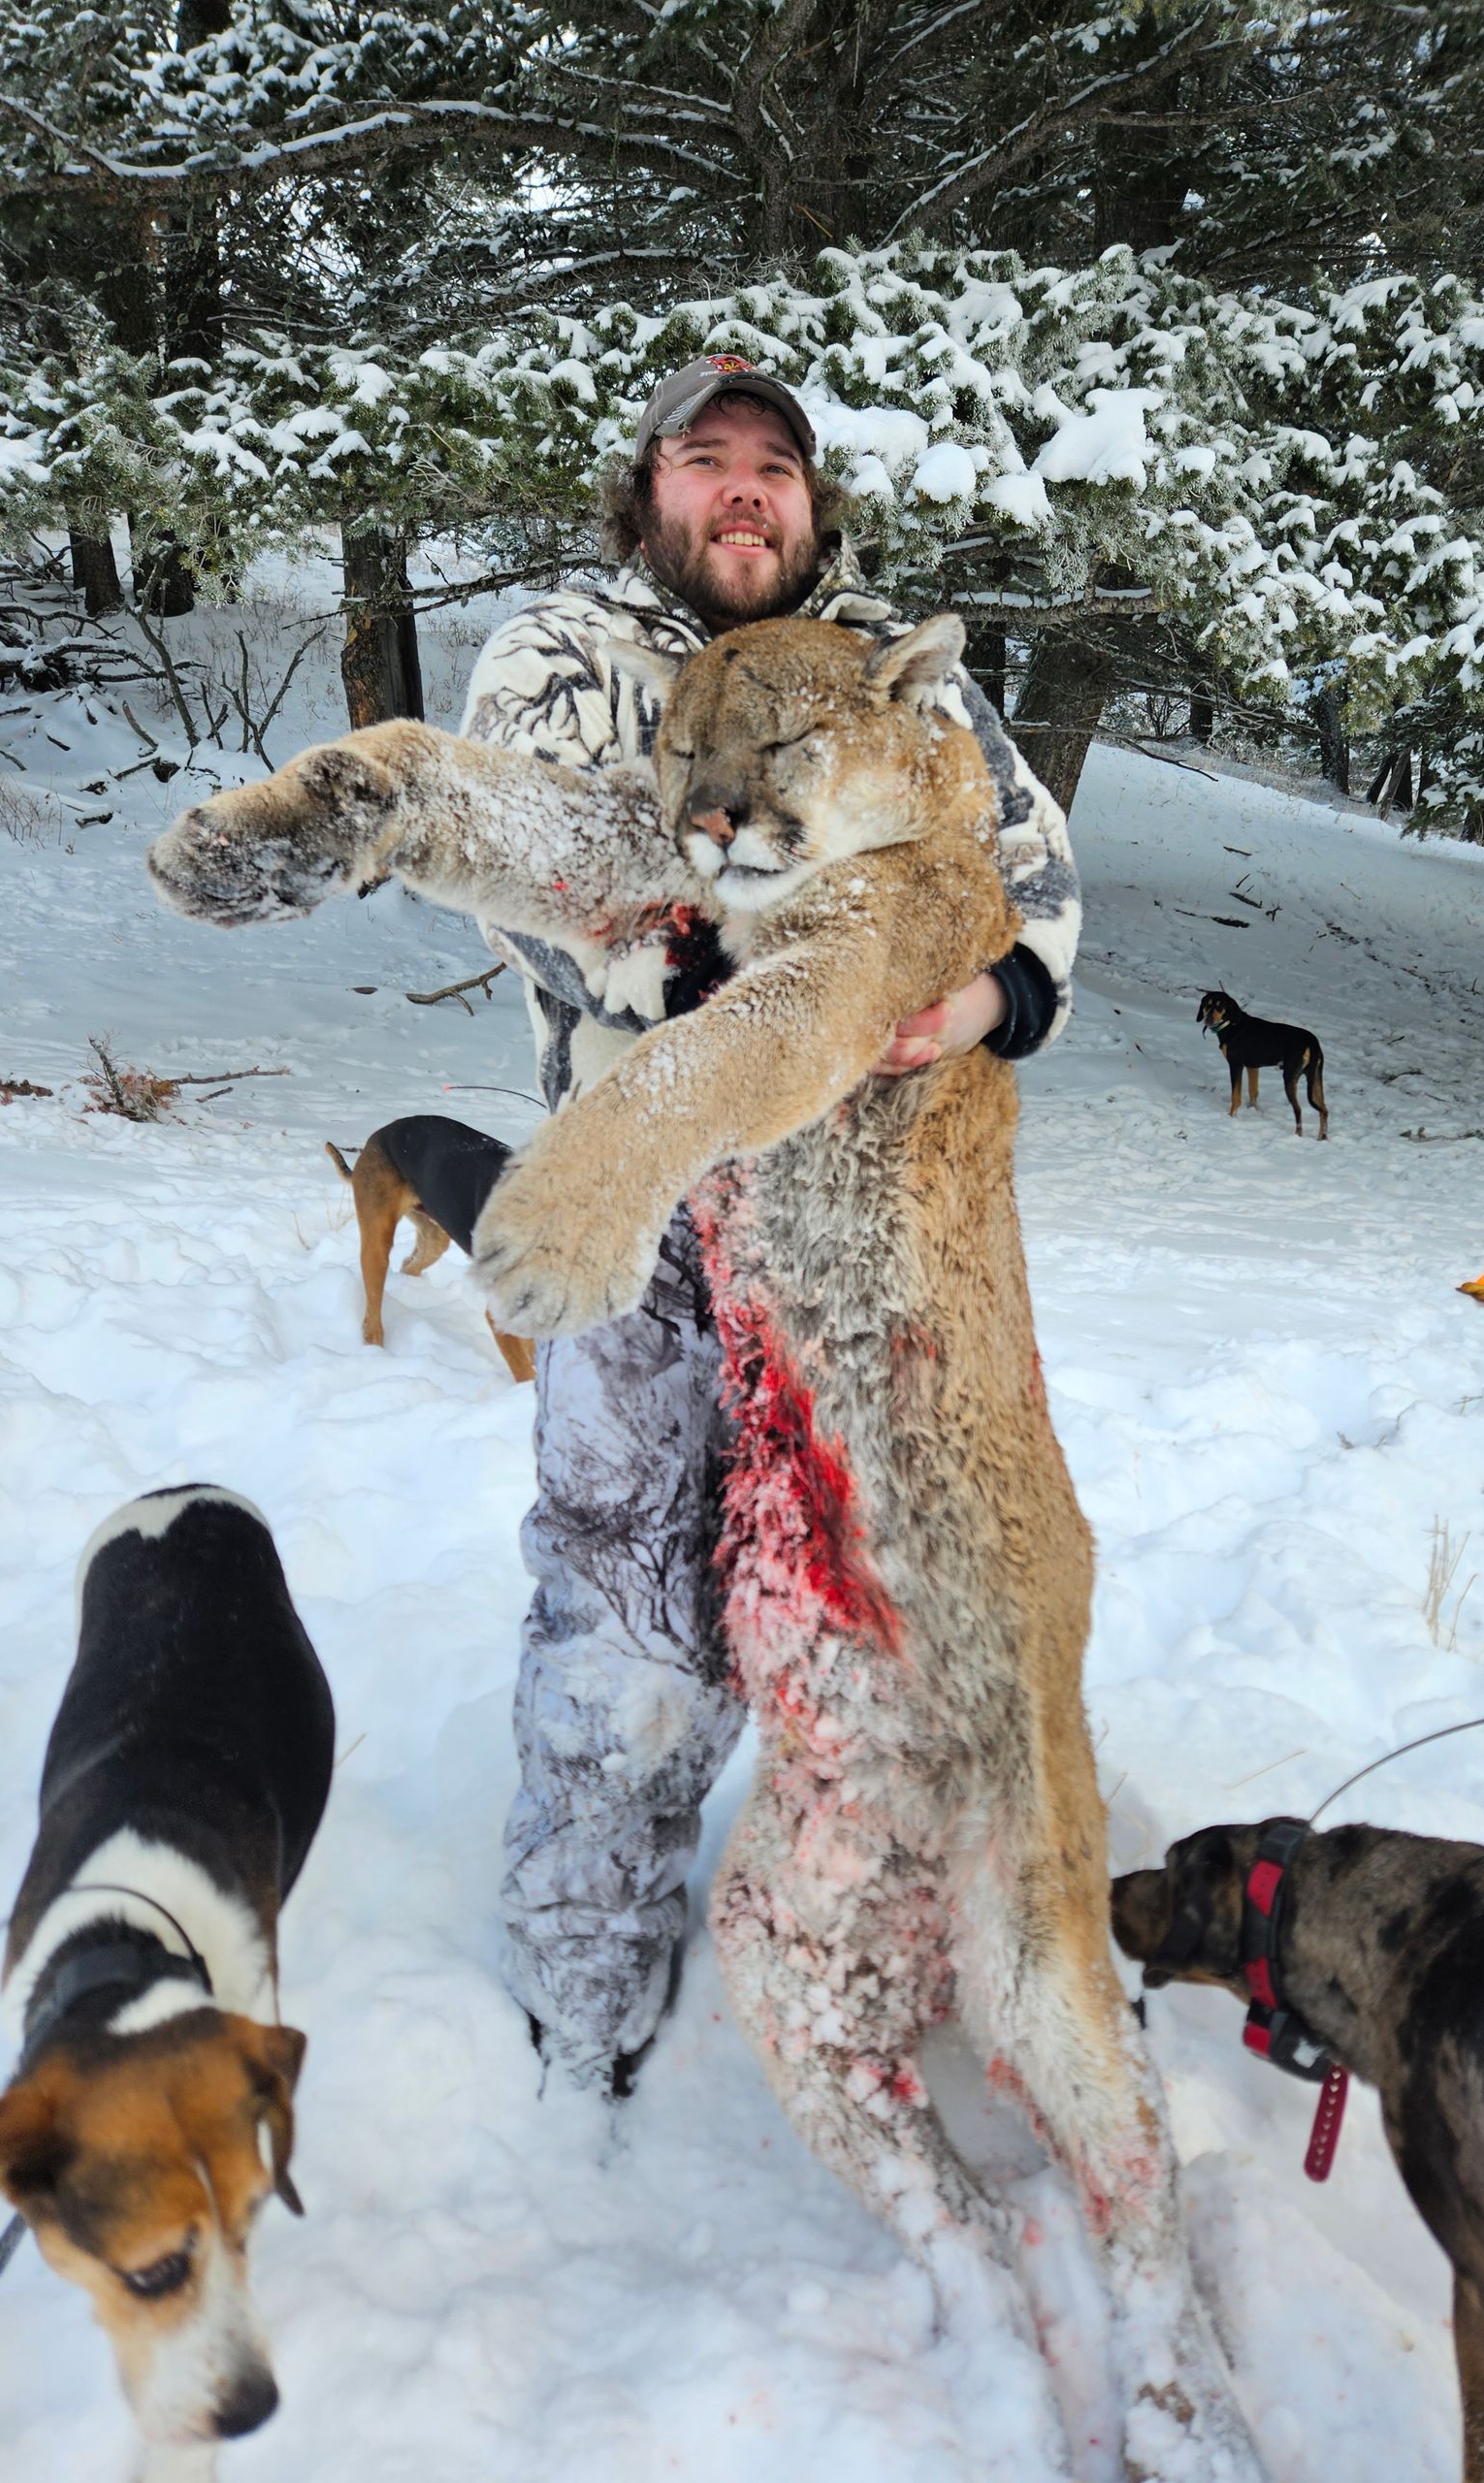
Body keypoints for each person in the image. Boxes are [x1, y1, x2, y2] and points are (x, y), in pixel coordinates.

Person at [459, 353, 1082, 2094]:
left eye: (776, 469)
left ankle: (904, 1917)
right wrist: (770, 986)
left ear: (812, 508)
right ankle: (589, 1964)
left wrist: (975, 1005)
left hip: (876, 1217)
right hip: (652, 1202)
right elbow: (558, 872)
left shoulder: (895, 679)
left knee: (863, 1591)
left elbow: (1036, 891)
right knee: (633, 1600)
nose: (746, 489)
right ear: (647, 490)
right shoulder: (569, 654)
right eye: (705, 458)